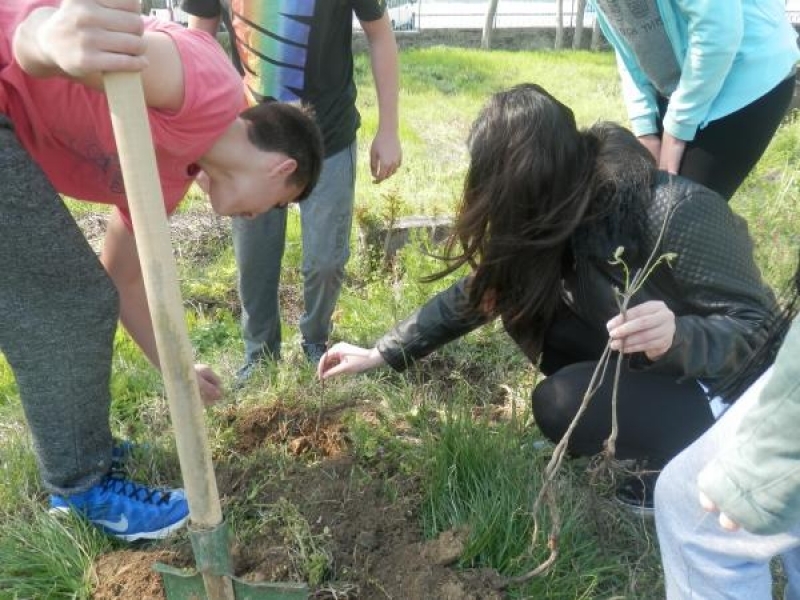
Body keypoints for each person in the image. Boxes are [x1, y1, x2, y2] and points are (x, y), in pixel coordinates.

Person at [317, 83, 776, 511]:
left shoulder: (675, 210)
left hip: (723, 395)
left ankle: (676, 464)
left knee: (558, 402)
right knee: (525, 298)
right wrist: (381, 353)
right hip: (657, 367)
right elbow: (480, 291)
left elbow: (761, 332)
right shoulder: (560, 209)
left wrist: (677, 336)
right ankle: (641, 432)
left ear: (537, 176)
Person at [1, 0, 322, 541]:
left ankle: (85, 449)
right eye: (270, 206)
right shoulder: (209, 87)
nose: (252, 218)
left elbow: (123, 282)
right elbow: (91, 40)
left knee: (84, 296)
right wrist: (39, 38)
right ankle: (83, 490)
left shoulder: (170, 181)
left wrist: (180, 371)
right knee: (70, 303)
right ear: (280, 168)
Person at [182, 0, 402, 380]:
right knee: (255, 261)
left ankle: (315, 340)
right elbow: (195, 42)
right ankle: (260, 354)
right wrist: (198, 142)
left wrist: (389, 129)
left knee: (326, 261)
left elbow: (380, 35)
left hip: (328, 140)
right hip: (249, 145)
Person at [655, 259, 800, 599]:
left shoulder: (678, 208)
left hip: (744, 389)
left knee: (695, 514)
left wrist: (773, 455)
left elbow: (754, 321)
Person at [592, 0, 799, 199]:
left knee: (677, 209)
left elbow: (718, 32)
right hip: (679, 79)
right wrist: (645, 128)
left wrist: (677, 129)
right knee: (647, 199)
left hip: (746, 72)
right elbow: (627, 42)